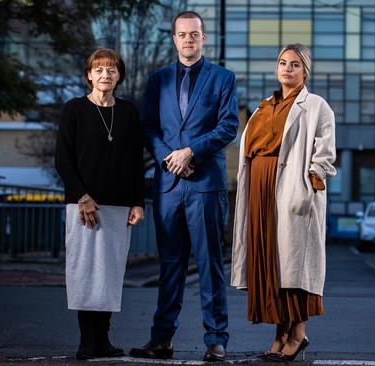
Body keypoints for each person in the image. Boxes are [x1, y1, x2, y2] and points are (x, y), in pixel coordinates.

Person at [129, 10, 239, 362]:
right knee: (170, 265)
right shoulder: (158, 80)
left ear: (203, 38)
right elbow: (148, 127)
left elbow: (228, 127)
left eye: (194, 34)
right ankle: (161, 340)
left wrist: (191, 151)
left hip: (206, 184)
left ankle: (216, 339)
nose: (188, 40)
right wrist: (168, 157)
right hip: (169, 186)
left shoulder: (223, 78)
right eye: (182, 35)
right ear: (174, 39)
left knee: (210, 264)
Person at [231, 43, 337, 362]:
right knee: (271, 266)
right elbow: (249, 147)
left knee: (296, 267)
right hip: (260, 191)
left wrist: (312, 181)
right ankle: (279, 333)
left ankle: (298, 334)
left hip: (293, 190)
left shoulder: (317, 105)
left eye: (294, 64)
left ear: (305, 70)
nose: (287, 68)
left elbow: (325, 151)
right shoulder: (264, 106)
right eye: (282, 62)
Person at [54, 48, 145, 360]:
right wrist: (82, 196)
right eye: (99, 70)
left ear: (119, 76)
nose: (105, 75)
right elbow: (63, 160)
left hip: (119, 206)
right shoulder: (74, 110)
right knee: (84, 272)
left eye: (112, 69)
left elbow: (136, 162)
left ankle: (104, 339)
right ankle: (86, 340)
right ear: (88, 75)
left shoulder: (129, 112)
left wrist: (138, 202)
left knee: (109, 273)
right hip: (82, 205)